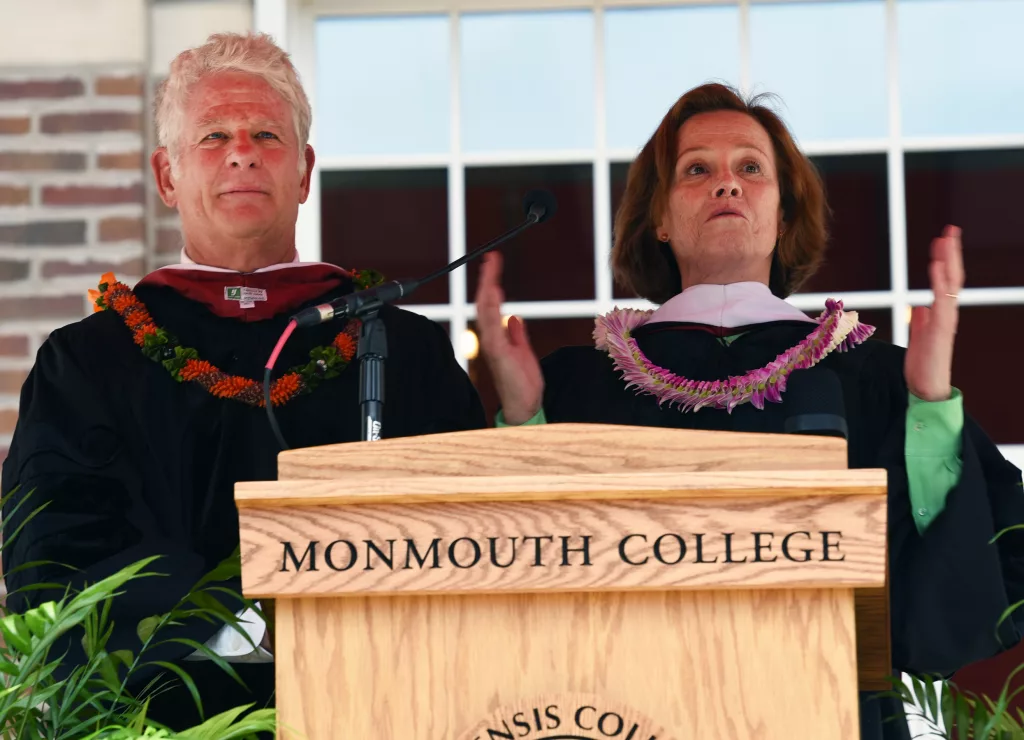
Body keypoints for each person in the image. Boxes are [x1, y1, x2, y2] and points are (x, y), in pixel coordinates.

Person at [475, 83, 1024, 740]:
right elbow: (521, 570)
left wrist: (930, 408)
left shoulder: (872, 376)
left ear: (785, 216)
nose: (726, 186)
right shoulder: (581, 385)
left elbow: (953, 602)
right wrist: (524, 421)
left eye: (750, 168)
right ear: (659, 219)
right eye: (696, 169)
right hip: (625, 715)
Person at [1, 32, 484, 731]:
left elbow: (471, 534)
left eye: (266, 133)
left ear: (304, 170)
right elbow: (50, 554)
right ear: (167, 176)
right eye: (214, 135)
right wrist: (227, 633)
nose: (242, 152)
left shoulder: (399, 348)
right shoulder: (87, 364)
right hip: (155, 718)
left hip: (380, 706)